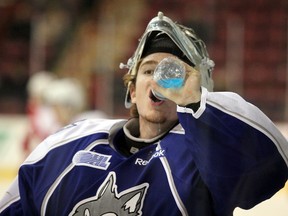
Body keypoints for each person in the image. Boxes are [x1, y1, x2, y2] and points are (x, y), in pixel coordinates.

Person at [0, 11, 287, 216]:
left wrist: (197, 103)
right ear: (133, 92)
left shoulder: (209, 160)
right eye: (149, 70)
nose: (160, 80)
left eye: (173, 71)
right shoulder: (64, 147)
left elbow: (270, 166)